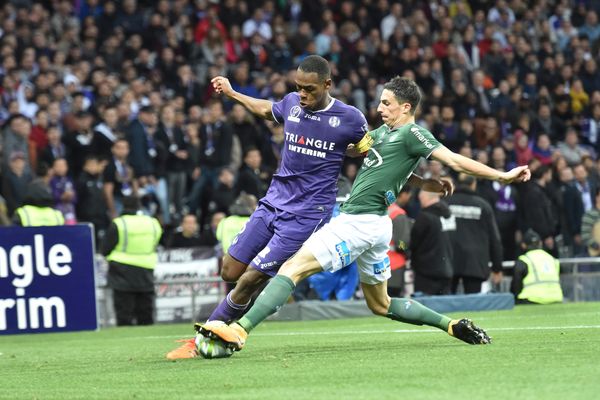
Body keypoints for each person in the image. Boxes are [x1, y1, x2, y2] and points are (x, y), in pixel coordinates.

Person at [197, 76, 530, 354]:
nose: (379, 108)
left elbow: (455, 159)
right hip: (375, 227)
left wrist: (502, 176)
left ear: (406, 107)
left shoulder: (413, 134)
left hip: (358, 221)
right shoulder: (382, 135)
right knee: (381, 304)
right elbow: (389, 167)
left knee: (292, 268)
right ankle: (451, 324)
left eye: (386, 103)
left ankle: (239, 330)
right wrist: (424, 181)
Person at [166, 55, 372, 359]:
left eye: (310, 89)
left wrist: (416, 179)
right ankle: (226, 323)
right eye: (299, 87)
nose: (302, 94)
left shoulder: (350, 118)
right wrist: (234, 93)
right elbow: (267, 110)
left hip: (307, 213)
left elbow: (371, 154)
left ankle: (205, 338)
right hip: (273, 201)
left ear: (327, 84)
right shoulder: (291, 103)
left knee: (252, 277)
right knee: (230, 270)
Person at [101, 196, 162, 326]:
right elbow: (157, 242)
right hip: (146, 270)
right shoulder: (152, 223)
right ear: (139, 206)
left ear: (123, 206)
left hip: (121, 272)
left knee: (124, 314)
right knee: (145, 314)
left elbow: (104, 249)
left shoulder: (119, 223)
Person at [446, 174, 504, 294]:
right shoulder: (483, 205)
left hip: (449, 259)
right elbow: (495, 239)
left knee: (446, 302)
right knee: (472, 305)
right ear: (473, 184)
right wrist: (497, 268)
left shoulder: (446, 203)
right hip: (475, 261)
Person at [409, 190, 455, 295]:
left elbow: (412, 243)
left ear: (425, 197)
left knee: (425, 307)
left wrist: (401, 244)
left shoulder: (424, 217)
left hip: (426, 272)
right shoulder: (448, 215)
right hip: (447, 269)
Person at [510, 229, 563, 304]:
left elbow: (516, 284)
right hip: (556, 298)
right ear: (540, 243)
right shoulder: (552, 259)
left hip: (532, 299)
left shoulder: (524, 260)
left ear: (523, 245)